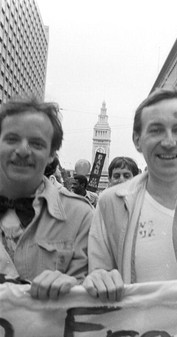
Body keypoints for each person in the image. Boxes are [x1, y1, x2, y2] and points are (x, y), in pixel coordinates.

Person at [83, 87, 177, 301]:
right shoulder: (111, 203)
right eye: (156, 130)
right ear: (138, 140)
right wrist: (99, 278)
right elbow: (98, 272)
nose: (168, 142)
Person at [0, 97, 93, 299]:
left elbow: (92, 300)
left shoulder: (81, 217)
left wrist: (76, 287)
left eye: (36, 143)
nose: (23, 150)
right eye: (12, 139)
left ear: (52, 154)